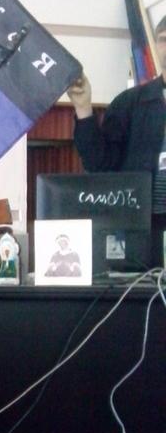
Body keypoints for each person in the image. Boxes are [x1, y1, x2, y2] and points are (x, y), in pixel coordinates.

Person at [66, 14, 166, 268]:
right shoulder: (130, 104)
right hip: (142, 230)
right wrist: (83, 108)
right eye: (164, 39)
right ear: (156, 45)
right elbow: (98, 164)